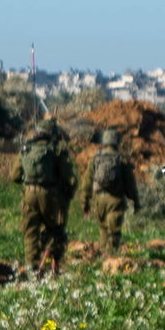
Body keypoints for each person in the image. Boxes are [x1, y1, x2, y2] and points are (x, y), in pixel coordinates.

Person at [12, 117, 78, 274]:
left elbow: (14, 176)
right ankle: (52, 266)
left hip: (28, 194)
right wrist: (68, 194)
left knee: (30, 232)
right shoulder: (56, 150)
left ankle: (32, 268)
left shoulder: (26, 149)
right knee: (55, 230)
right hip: (49, 195)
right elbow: (70, 178)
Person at [81, 126, 141, 253]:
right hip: (116, 200)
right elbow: (131, 185)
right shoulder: (122, 160)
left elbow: (87, 183)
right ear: (117, 142)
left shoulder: (95, 159)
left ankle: (104, 256)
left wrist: (85, 203)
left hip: (99, 200)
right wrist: (136, 202)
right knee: (114, 232)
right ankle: (111, 257)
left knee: (103, 228)